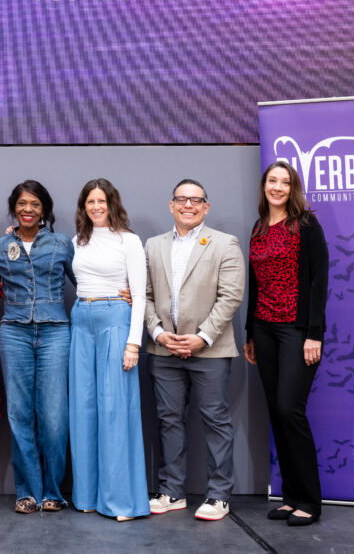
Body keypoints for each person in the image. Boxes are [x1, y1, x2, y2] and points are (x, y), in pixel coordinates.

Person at [144, 179, 245, 522]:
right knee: (168, 421)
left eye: (196, 200)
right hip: (164, 351)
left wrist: (202, 337)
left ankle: (218, 496)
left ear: (206, 207)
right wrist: (158, 333)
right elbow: (141, 296)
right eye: (182, 199)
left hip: (210, 351)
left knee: (215, 420)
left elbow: (230, 296)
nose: (189, 204)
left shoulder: (224, 244)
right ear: (171, 205)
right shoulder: (153, 246)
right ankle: (172, 491)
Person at [243, 161, 328, 527]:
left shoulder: (305, 224)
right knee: (276, 413)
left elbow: (319, 280)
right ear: (264, 186)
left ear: (292, 188)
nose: (277, 187)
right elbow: (255, 284)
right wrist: (249, 333)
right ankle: (291, 498)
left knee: (290, 409)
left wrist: (314, 333)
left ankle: (310, 500)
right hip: (263, 330)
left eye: (285, 182)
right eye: (272, 181)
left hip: (296, 330)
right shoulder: (259, 228)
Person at [0, 180, 75, 515]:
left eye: (35, 204)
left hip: (55, 333)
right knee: (20, 415)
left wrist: (116, 295)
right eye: (22, 203)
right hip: (14, 334)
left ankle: (53, 491)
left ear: (44, 210)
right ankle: (27, 492)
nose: (28, 209)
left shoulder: (62, 243)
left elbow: (84, 283)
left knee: (53, 416)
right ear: (15, 207)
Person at [69, 178, 150, 522]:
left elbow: (140, 293)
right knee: (83, 408)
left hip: (116, 319)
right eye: (90, 201)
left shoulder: (129, 240)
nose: (96, 206)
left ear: (112, 203)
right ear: (83, 206)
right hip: (81, 319)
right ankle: (86, 496)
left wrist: (134, 342)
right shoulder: (77, 240)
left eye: (102, 200)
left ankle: (121, 502)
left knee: (115, 409)